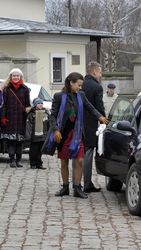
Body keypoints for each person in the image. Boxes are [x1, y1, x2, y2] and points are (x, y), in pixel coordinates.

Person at [47, 72, 107, 199]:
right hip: (63, 134)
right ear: (71, 83)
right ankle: (64, 187)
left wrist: (100, 117)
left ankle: (77, 187)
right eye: (78, 85)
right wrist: (56, 130)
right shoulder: (59, 96)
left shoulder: (81, 95)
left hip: (78, 133)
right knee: (64, 161)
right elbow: (53, 115)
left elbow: (90, 108)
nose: (80, 88)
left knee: (79, 160)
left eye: (81, 85)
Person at [81, 61, 107, 193]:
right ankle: (86, 183)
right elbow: (99, 106)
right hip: (90, 124)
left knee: (77, 155)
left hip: (77, 124)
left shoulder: (80, 83)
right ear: (95, 71)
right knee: (88, 153)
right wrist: (104, 119)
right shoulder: (97, 87)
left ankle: (76, 183)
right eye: (100, 72)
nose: (100, 75)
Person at [1, 68, 30, 168]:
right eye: (14, 75)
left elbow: (28, 105)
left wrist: (28, 115)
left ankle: (18, 160)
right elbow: (3, 104)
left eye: (18, 75)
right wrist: (2, 117)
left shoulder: (25, 89)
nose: (16, 77)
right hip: (10, 119)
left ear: (21, 77)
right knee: (11, 141)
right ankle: (12, 160)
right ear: (10, 77)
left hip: (21, 119)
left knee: (19, 141)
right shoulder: (6, 89)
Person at [26, 98, 50, 169]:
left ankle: (39, 163)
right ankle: (33, 163)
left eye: (41, 103)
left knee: (40, 151)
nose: (40, 105)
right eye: (39, 103)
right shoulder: (32, 114)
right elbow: (28, 125)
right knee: (33, 150)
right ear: (35, 105)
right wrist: (28, 135)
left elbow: (48, 124)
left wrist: (48, 134)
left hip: (43, 135)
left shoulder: (46, 113)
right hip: (34, 136)